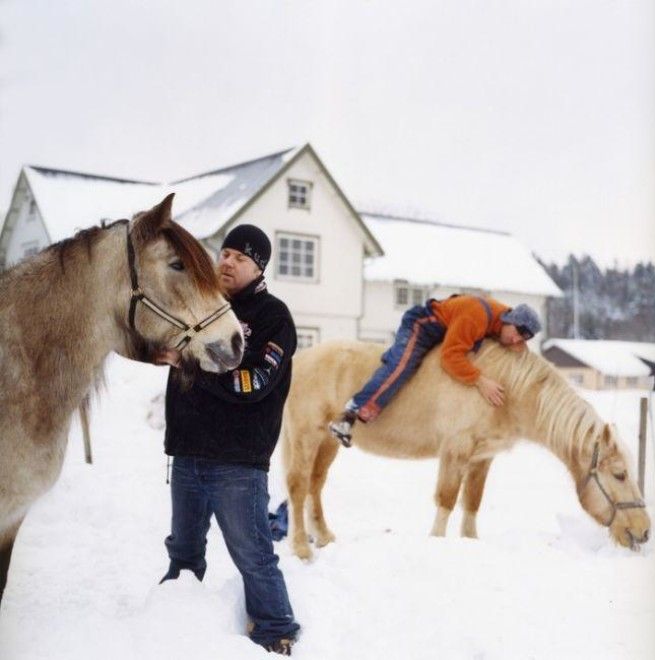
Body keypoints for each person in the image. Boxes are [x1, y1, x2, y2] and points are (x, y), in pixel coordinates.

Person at [158, 224, 301, 656]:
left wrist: (190, 366)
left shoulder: (274, 317)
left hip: (237, 463)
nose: (227, 261)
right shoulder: (202, 308)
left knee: (254, 556)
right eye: (225, 253)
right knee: (183, 551)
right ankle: (174, 626)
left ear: (259, 267)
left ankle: (276, 631)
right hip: (188, 455)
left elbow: (252, 383)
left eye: (241, 257)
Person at [329, 295, 541, 447]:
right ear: (509, 320)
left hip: (444, 331)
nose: (516, 340)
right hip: (422, 326)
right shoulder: (476, 317)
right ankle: (350, 414)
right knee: (401, 366)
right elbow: (450, 358)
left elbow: (510, 342)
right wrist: (479, 380)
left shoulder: (501, 322)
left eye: (522, 339)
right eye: (516, 333)